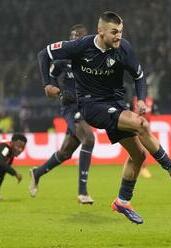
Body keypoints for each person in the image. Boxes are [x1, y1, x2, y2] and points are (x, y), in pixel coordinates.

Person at [37, 11, 171, 224]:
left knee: (139, 156)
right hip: (91, 105)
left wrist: (141, 99)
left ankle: (122, 201)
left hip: (116, 105)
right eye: (114, 32)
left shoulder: (124, 48)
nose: (118, 36)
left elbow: (139, 76)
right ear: (100, 31)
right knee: (141, 123)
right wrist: (48, 84)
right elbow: (44, 54)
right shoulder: (80, 46)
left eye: (120, 32)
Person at [29, 24, 95, 205]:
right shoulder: (62, 60)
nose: (75, 41)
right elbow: (51, 76)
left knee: (65, 152)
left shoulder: (91, 59)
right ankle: (83, 192)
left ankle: (37, 173)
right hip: (70, 107)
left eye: (79, 38)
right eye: (73, 38)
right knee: (88, 139)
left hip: (86, 107)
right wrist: (56, 90)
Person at [0, 134, 26, 198]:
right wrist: (15, 173)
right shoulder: (5, 147)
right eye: (18, 146)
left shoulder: (10, 154)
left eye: (22, 147)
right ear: (12, 143)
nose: (20, 149)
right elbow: (1, 162)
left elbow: (3, 170)